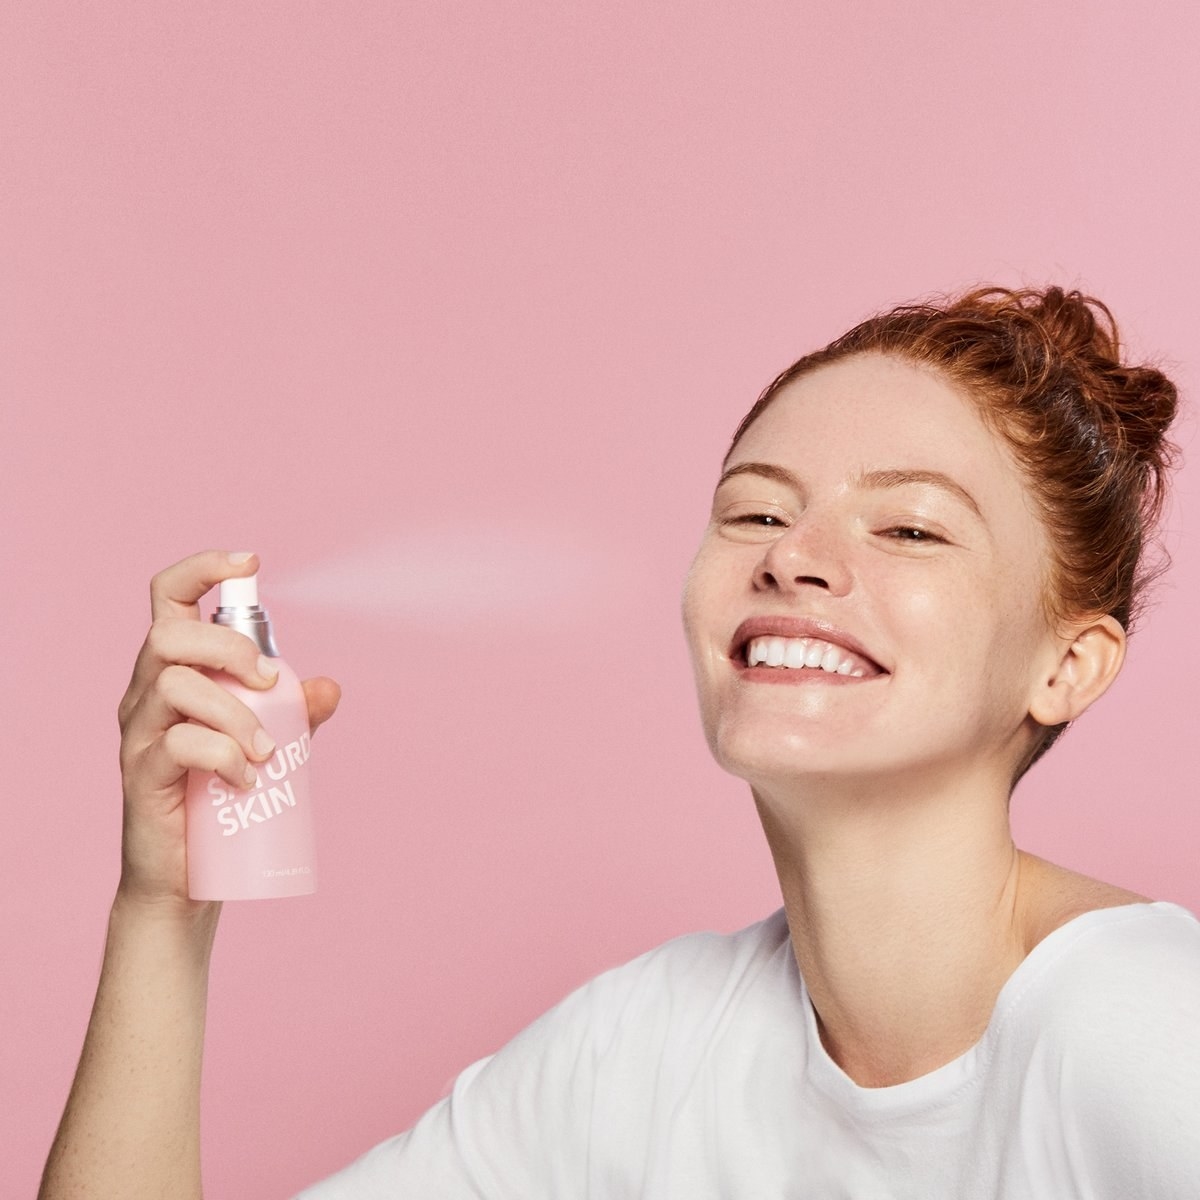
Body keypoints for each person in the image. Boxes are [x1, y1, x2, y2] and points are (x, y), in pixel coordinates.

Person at [40, 286, 1200, 1199]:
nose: (792, 555)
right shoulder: (642, 1053)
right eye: (754, 509)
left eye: (908, 526)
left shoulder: (1142, 1029)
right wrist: (162, 913)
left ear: (1067, 666)